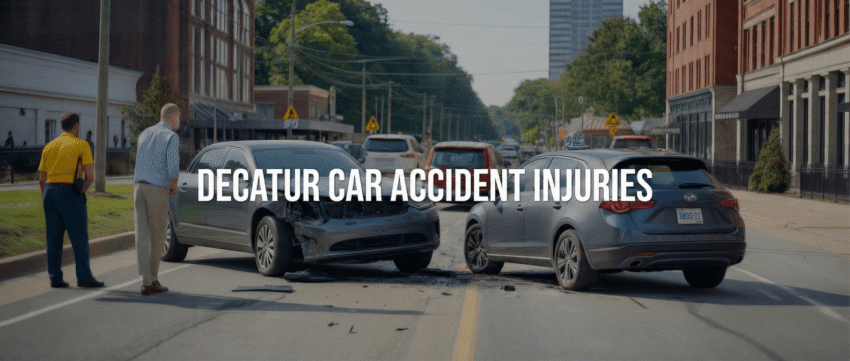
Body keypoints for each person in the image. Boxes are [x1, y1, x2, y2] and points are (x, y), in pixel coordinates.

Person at [38, 113, 105, 288]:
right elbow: (90, 176)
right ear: (76, 126)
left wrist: (48, 196)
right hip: (70, 193)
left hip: (50, 192)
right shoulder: (81, 145)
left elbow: (41, 180)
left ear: (61, 127)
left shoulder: (49, 146)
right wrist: (81, 191)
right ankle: (83, 277)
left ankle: (55, 277)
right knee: (79, 236)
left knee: (53, 238)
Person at [133, 103, 180, 295]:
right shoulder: (171, 136)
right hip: (157, 189)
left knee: (141, 235)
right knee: (158, 236)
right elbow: (173, 165)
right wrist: (174, 185)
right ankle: (152, 279)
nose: (179, 122)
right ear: (171, 117)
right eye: (178, 118)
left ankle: (145, 280)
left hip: (138, 188)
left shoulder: (144, 133)